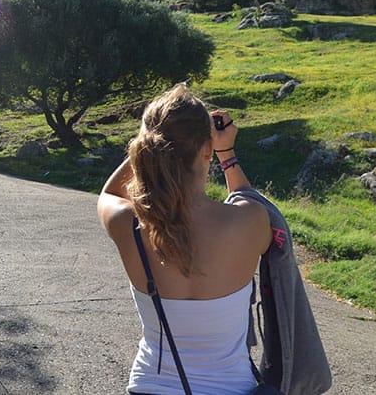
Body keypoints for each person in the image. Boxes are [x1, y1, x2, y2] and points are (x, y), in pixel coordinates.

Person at [97, 84, 273, 395]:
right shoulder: (249, 221)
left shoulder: (127, 223)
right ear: (206, 149)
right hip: (232, 389)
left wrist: (146, 138)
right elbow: (246, 196)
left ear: (144, 147)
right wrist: (226, 153)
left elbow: (109, 194)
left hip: (150, 387)